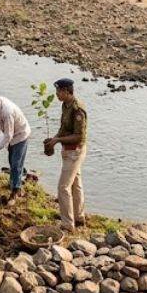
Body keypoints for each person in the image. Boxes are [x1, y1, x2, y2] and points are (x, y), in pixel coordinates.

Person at [44, 78, 87, 229]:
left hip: (75, 151)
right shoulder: (65, 105)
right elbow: (64, 128)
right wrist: (55, 138)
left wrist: (58, 140)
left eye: (59, 91)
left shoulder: (77, 109)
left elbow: (78, 136)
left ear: (67, 91)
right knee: (76, 184)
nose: (56, 94)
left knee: (63, 187)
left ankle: (67, 224)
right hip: (68, 150)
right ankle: (78, 217)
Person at [0, 90, 30, 201]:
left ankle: (15, 192)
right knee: (11, 161)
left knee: (16, 164)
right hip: (9, 135)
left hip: (20, 135)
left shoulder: (7, 111)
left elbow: (8, 136)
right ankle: (14, 183)